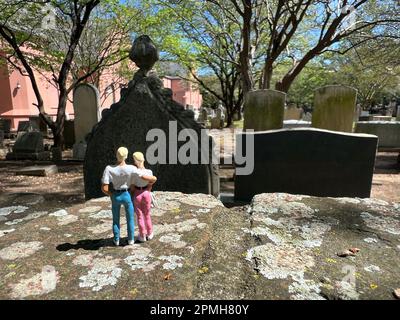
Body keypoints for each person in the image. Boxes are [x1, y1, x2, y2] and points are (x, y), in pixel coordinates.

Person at [101, 147, 154, 246]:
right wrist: (153, 179)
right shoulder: (131, 168)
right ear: (126, 156)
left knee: (115, 219)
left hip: (116, 194)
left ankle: (116, 239)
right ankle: (131, 239)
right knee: (130, 218)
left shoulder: (109, 168)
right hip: (126, 194)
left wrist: (111, 194)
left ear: (116, 155)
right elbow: (142, 176)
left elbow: (104, 188)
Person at [130, 151, 157, 242]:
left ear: (135, 162)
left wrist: (133, 194)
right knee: (147, 214)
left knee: (140, 216)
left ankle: (142, 235)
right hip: (146, 193)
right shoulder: (149, 171)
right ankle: (150, 233)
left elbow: (132, 187)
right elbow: (151, 183)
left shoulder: (134, 173)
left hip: (137, 193)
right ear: (143, 159)